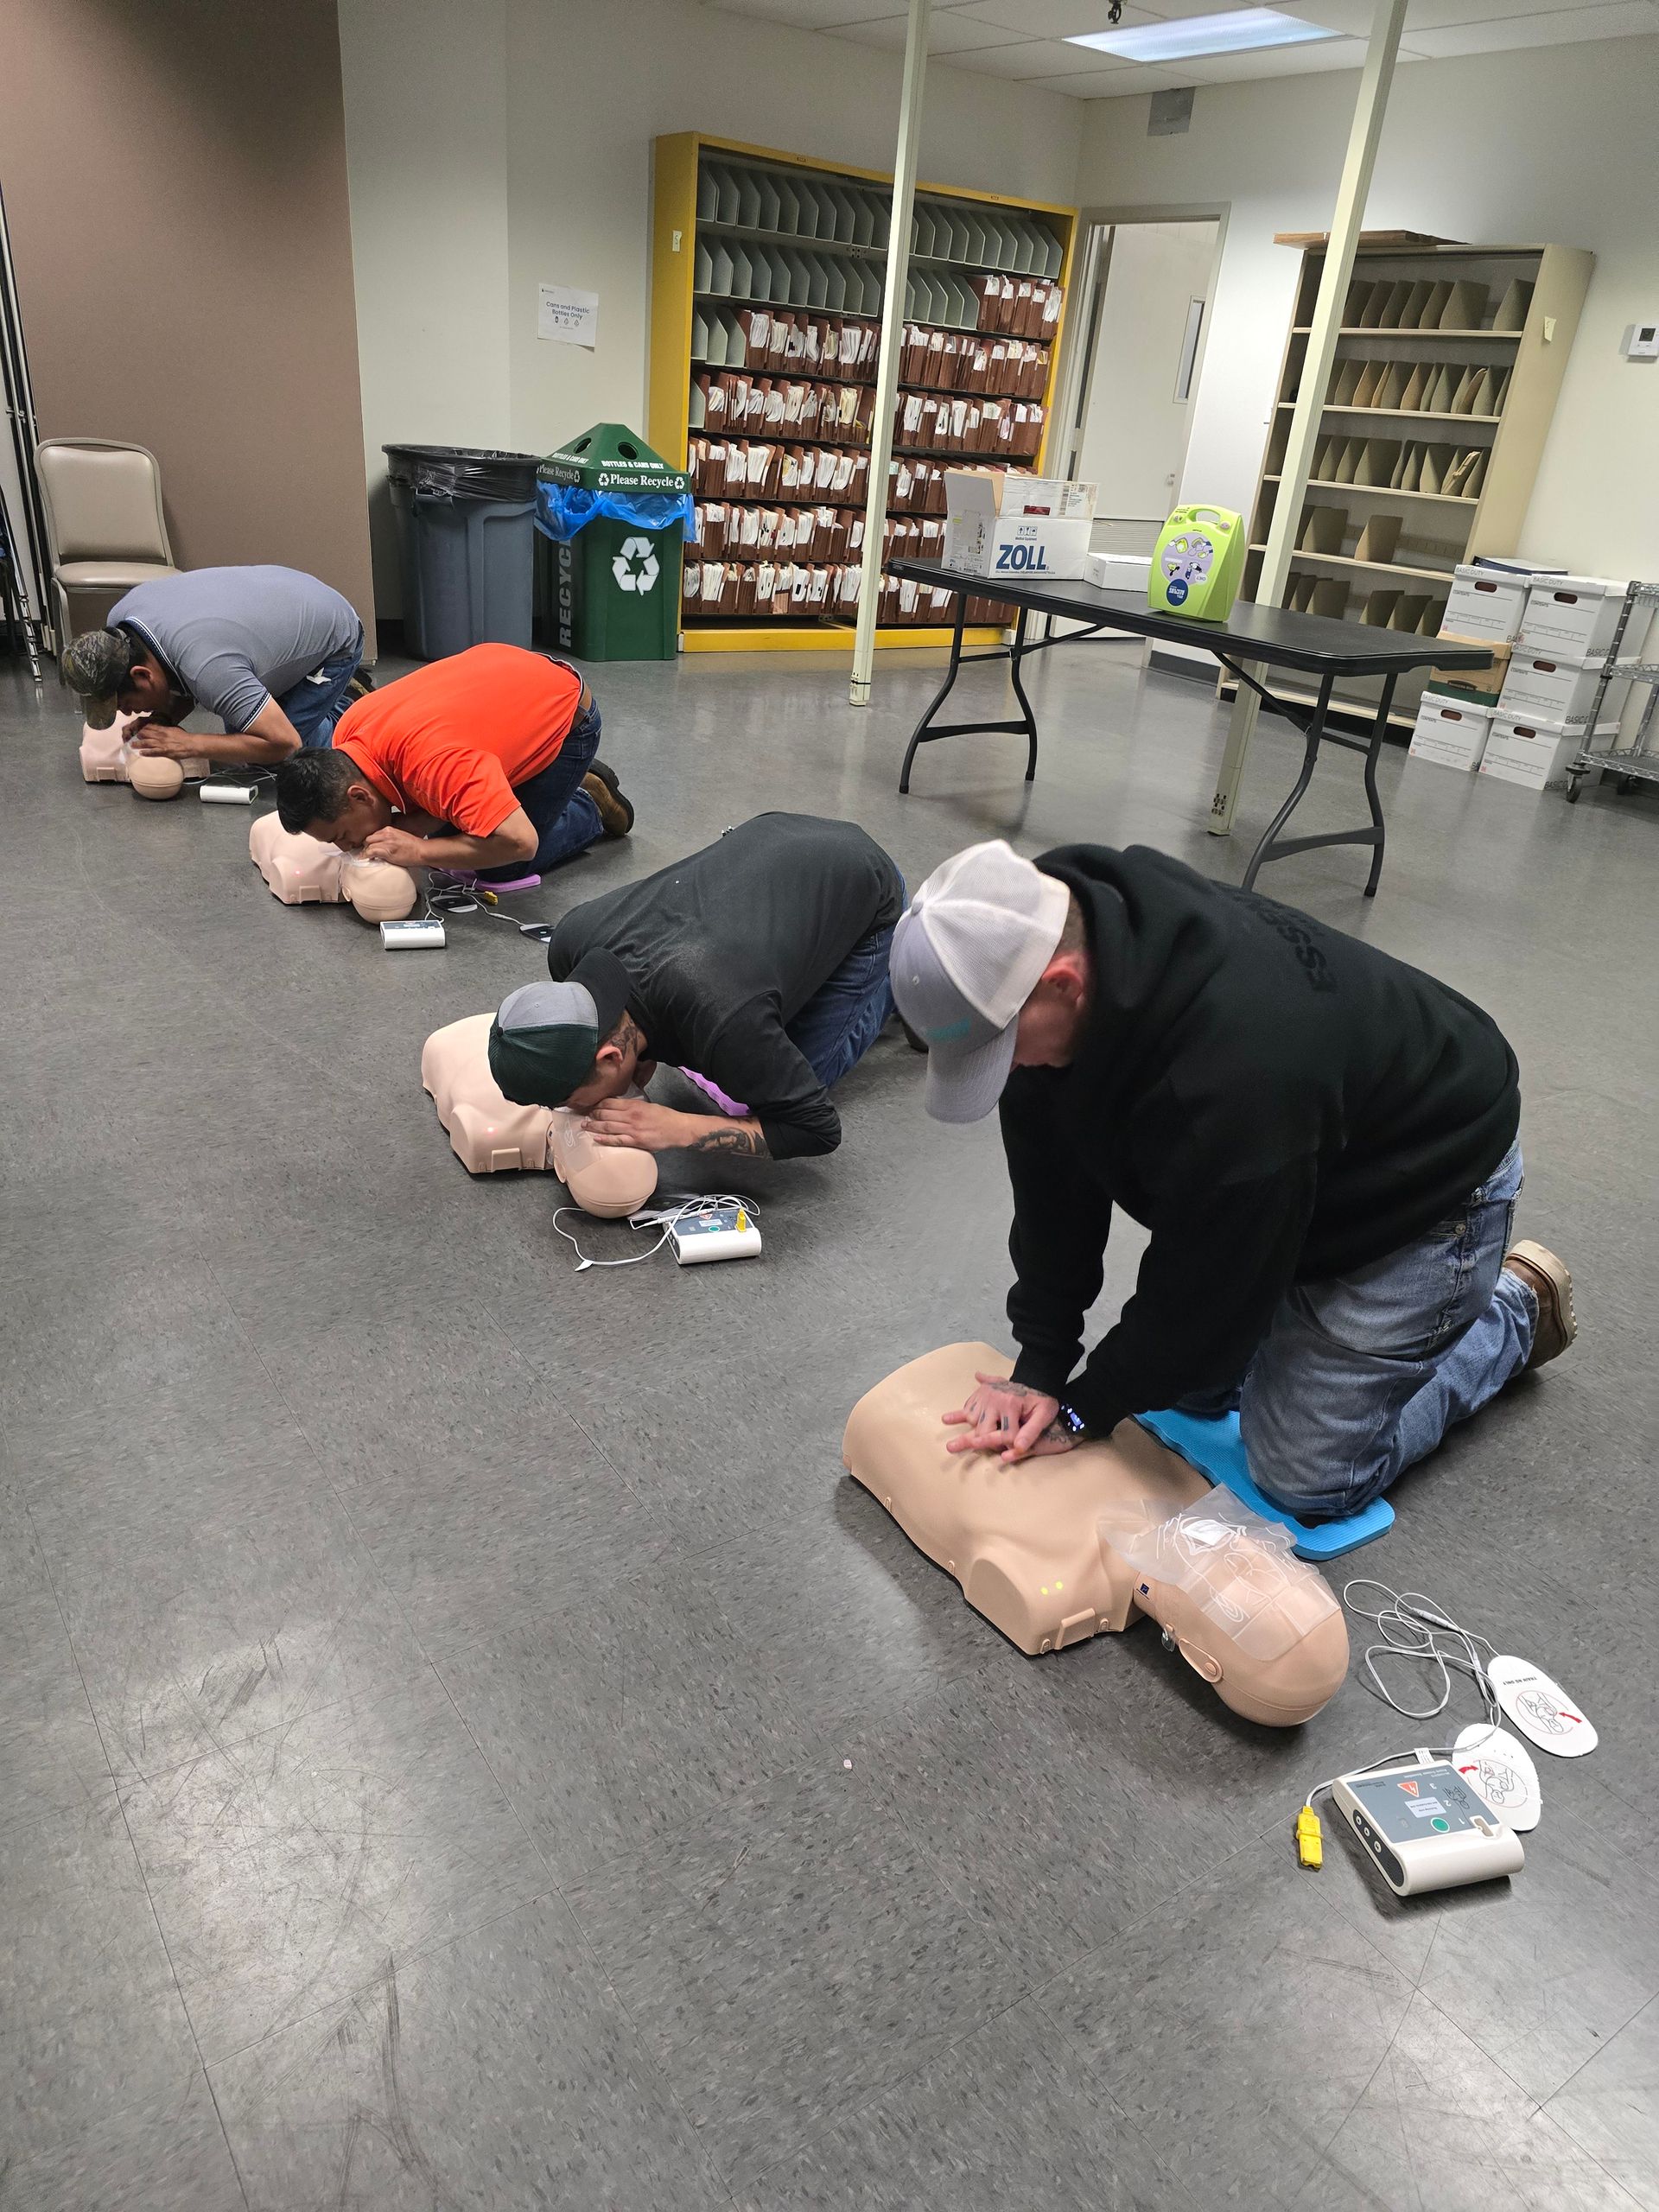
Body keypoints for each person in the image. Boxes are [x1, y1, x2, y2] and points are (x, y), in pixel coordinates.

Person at [889, 837, 1575, 1524]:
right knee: (1188, 1389)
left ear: (1065, 984)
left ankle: (1510, 1308)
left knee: (1304, 1478)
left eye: (1001, 1050)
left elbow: (1199, 1304)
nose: (1002, 1070)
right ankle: (1298, 1324)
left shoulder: (1233, 1080)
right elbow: (1053, 1198)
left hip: (1427, 1191)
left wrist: (1080, 1410)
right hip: (1301, 1169)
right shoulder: (1050, 938)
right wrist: (1039, 1363)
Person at [487, 811, 906, 1160]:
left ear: (612, 1056)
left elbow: (816, 1129)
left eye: (577, 1101)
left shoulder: (721, 1018)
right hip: (773, 839)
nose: (576, 1112)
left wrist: (682, 1128)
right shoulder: (570, 945)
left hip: (865, 887)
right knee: (754, 1051)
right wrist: (645, 1058)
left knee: (780, 1090)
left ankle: (905, 968)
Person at [272, 643, 632, 888]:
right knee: (452, 832)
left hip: (570, 719)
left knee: (501, 862)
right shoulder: (348, 735)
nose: (347, 846)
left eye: (341, 836)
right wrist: (419, 824)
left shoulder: (434, 765)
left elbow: (521, 842)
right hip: (512, 679)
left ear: (359, 796)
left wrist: (421, 851)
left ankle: (588, 805)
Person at [60, 565, 365, 767]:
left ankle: (353, 715)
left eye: (126, 703)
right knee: (242, 729)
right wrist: (164, 716)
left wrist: (191, 743)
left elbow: (284, 743)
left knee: (267, 752)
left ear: (141, 675)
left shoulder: (209, 669)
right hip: (285, 603)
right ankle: (305, 700)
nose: (127, 713)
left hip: (335, 636)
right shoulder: (122, 624)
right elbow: (172, 669)